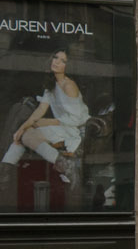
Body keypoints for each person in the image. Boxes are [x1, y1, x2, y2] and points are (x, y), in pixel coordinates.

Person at [2, 49, 86, 184]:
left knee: (28, 136)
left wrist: (45, 122)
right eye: (56, 58)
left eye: (63, 61)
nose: (57, 62)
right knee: (24, 134)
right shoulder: (52, 84)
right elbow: (41, 109)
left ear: (67, 66)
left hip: (73, 128)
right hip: (60, 125)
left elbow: (77, 119)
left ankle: (65, 165)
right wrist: (22, 128)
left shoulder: (69, 85)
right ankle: (4, 169)